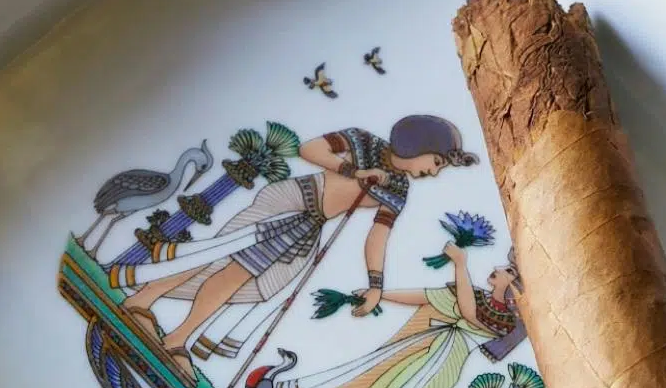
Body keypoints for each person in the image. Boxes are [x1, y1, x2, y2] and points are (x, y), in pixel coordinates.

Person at [113, 115, 473, 365]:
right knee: (224, 262)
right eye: (438, 161)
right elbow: (310, 149)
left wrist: (375, 285)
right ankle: (160, 315)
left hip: (309, 227)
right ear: (417, 144)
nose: (436, 171)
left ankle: (162, 316)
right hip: (291, 201)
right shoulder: (364, 142)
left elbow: (378, 235)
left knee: (255, 283)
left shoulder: (398, 187)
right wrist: (354, 171)